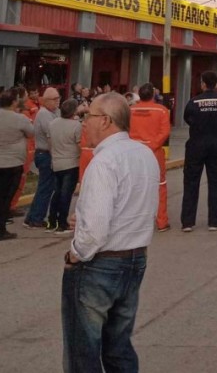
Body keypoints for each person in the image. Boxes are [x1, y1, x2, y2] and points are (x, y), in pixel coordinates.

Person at [61, 92, 159, 373]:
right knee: (118, 346)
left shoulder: (104, 162)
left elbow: (94, 232)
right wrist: (83, 219)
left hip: (100, 264)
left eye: (87, 116)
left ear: (105, 121)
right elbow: (133, 209)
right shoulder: (144, 154)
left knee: (83, 351)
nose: (83, 123)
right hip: (134, 258)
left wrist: (75, 254)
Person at [180, 70, 217, 231]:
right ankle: (214, 221)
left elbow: (187, 118)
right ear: (215, 85)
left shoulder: (194, 102)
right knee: (216, 183)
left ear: (202, 84)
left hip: (196, 144)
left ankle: (188, 222)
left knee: (191, 183)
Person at [130, 83, 172, 232]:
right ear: (153, 95)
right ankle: (161, 221)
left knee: (134, 186)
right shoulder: (161, 110)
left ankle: (135, 221)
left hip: (134, 152)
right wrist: (152, 145)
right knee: (160, 186)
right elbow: (165, 132)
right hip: (154, 152)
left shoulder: (131, 110)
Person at [0, 89, 34, 241]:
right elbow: (31, 133)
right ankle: (0, 230)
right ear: (14, 102)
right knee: (4, 198)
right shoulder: (20, 119)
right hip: (12, 164)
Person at [24, 87, 61, 229]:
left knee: (44, 187)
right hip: (45, 154)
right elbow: (52, 136)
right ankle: (36, 218)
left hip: (47, 154)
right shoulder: (44, 114)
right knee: (45, 188)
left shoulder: (54, 112)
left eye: (58, 98)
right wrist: (55, 156)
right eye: (54, 99)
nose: (57, 101)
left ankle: (32, 217)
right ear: (45, 101)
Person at [48, 98, 82, 235]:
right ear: (74, 111)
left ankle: (51, 221)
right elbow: (79, 145)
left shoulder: (53, 123)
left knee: (56, 192)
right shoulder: (76, 126)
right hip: (71, 163)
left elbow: (50, 142)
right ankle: (62, 222)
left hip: (56, 162)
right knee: (66, 194)